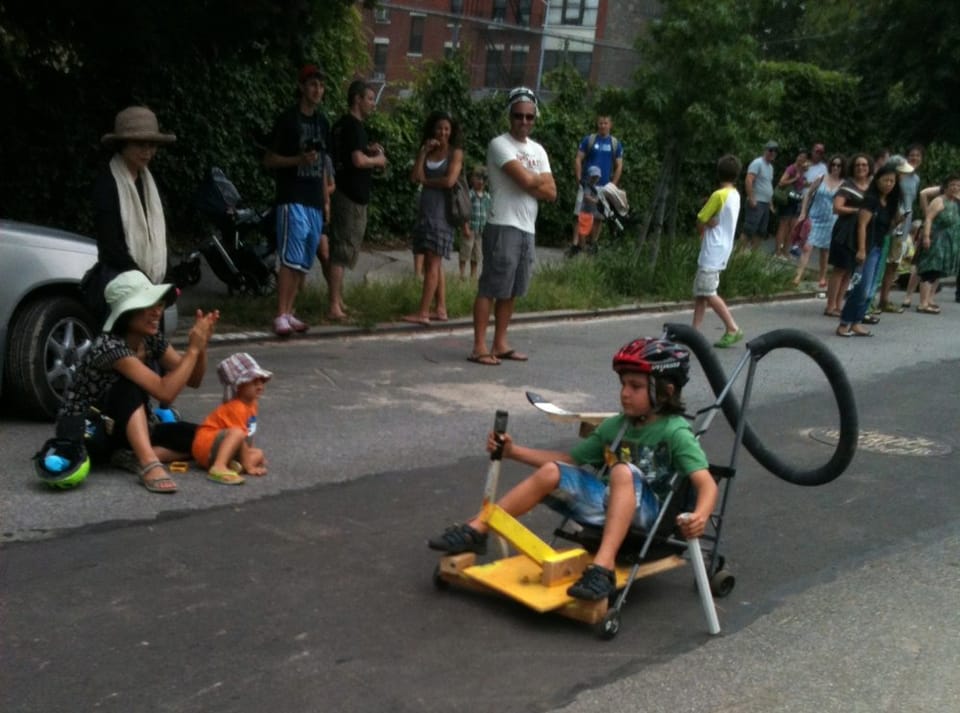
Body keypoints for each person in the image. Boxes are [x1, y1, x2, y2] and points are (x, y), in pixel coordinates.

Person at [428, 337, 718, 602]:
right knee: (553, 471)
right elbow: (569, 459)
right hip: (610, 505)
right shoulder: (617, 426)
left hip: (653, 517)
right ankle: (478, 529)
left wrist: (700, 515)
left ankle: (602, 567)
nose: (625, 393)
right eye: (623, 384)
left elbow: (706, 484)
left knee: (620, 471)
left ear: (666, 391)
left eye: (636, 386)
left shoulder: (676, 432)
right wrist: (512, 452)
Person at [57, 271, 219, 493]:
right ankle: (148, 463)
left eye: (158, 304)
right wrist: (192, 349)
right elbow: (165, 392)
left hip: (128, 428)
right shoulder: (109, 346)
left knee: (205, 437)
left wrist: (201, 347)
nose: (157, 312)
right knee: (127, 386)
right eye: (147, 306)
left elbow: (193, 379)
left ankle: (129, 456)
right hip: (90, 428)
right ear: (126, 312)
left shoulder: (150, 339)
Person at [468, 86, 556, 366]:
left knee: (514, 288)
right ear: (510, 116)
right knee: (492, 286)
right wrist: (534, 181)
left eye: (529, 117)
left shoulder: (538, 149)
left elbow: (552, 192)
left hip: (527, 227)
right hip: (502, 224)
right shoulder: (499, 144)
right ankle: (479, 346)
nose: (524, 122)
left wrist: (533, 181)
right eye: (519, 116)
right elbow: (528, 182)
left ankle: (500, 342)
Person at [89, 105, 177, 327]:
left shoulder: (150, 184)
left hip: (151, 290)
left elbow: (158, 238)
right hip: (122, 288)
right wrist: (143, 284)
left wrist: (165, 282)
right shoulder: (107, 184)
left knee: (153, 354)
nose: (147, 152)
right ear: (123, 145)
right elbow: (111, 246)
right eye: (140, 144)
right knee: (126, 355)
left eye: (152, 145)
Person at [263, 64, 331, 337]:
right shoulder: (288, 120)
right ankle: (280, 313)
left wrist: (326, 198)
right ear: (302, 87)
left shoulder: (322, 122)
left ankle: (290, 312)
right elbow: (269, 159)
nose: (317, 90)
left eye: (321, 85)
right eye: (312, 84)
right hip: (292, 195)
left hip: (314, 196)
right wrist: (297, 160)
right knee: (290, 258)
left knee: (304, 259)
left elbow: (325, 162)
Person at [327, 80, 388, 322]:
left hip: (345, 193)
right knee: (342, 251)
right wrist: (378, 160)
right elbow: (357, 161)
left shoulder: (342, 126)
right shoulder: (353, 126)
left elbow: (353, 154)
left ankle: (338, 301)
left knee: (342, 249)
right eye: (370, 98)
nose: (373, 104)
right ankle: (334, 306)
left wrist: (367, 150)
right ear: (357, 100)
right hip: (350, 196)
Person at [402, 111, 464, 325]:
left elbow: (449, 181)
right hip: (425, 211)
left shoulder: (455, 153)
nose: (443, 132)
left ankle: (423, 312)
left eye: (447, 128)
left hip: (442, 214)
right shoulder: (428, 152)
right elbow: (414, 177)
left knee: (432, 262)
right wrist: (423, 152)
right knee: (434, 263)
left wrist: (427, 182)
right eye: (439, 128)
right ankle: (441, 309)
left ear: (452, 131)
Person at [836, 160, 902, 337]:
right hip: (868, 247)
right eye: (885, 180)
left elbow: (887, 227)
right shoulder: (871, 200)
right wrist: (862, 250)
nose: (888, 184)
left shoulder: (890, 202)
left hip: (881, 246)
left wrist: (899, 220)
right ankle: (844, 323)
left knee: (871, 289)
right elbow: (862, 226)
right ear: (878, 180)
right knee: (861, 287)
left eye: (892, 181)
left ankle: (857, 322)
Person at [191, 353, 271, 485]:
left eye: (262, 381)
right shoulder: (236, 407)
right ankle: (219, 466)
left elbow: (248, 435)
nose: (260, 386)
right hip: (206, 445)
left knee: (259, 453)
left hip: (221, 447)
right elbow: (239, 435)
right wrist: (249, 466)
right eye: (254, 382)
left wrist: (251, 455)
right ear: (238, 386)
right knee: (238, 432)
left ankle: (232, 465)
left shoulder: (252, 404)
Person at [692, 155, 743, 348]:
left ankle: (732, 327)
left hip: (712, 249)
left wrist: (702, 232)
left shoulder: (718, 195)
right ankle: (694, 332)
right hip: (723, 247)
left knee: (708, 291)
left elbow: (701, 218)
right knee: (701, 292)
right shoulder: (735, 194)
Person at [825, 153, 873, 317]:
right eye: (858, 165)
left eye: (864, 165)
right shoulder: (847, 185)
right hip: (844, 231)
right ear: (853, 167)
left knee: (849, 270)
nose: (861, 168)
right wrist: (856, 210)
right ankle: (830, 306)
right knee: (839, 269)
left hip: (860, 233)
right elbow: (836, 208)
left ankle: (839, 305)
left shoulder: (871, 187)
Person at [567, 115, 623, 255]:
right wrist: (579, 179)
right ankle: (576, 245)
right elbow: (578, 159)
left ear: (610, 124)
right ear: (597, 124)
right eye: (600, 123)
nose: (603, 125)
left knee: (599, 217)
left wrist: (613, 185)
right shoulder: (589, 140)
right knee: (580, 214)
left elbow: (619, 165)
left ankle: (593, 245)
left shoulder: (615, 144)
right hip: (587, 184)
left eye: (605, 123)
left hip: (603, 186)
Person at [794, 153, 845, 288]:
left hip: (831, 219)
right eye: (833, 164)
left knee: (825, 250)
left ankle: (822, 276)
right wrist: (804, 212)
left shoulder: (844, 184)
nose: (836, 167)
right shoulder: (821, 178)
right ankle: (798, 275)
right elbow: (808, 194)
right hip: (815, 217)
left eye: (839, 165)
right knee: (807, 246)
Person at [914, 174, 960, 314]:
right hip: (936, 239)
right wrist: (926, 237)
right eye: (952, 185)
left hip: (948, 242)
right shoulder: (939, 201)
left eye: (958, 185)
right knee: (929, 270)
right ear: (945, 187)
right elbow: (928, 218)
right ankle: (923, 303)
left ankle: (930, 299)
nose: (955, 187)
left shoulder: (955, 201)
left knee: (938, 271)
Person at [740, 141, 778, 251]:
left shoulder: (770, 167)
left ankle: (752, 257)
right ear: (765, 150)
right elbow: (749, 180)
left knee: (761, 231)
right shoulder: (757, 163)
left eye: (775, 151)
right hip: (757, 201)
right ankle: (738, 255)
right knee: (749, 230)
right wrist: (752, 198)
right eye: (770, 150)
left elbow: (767, 184)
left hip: (765, 203)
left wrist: (770, 203)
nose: (772, 153)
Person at [773, 149, 809, 258]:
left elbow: (801, 185)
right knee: (783, 225)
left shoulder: (803, 170)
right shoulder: (792, 168)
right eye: (800, 156)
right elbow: (781, 182)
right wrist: (794, 178)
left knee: (793, 227)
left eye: (804, 157)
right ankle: (778, 251)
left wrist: (809, 183)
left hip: (796, 201)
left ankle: (785, 251)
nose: (801, 159)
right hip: (787, 200)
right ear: (797, 157)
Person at [460, 167, 490, 280]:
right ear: (472, 179)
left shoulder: (487, 197)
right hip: (470, 228)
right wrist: (465, 227)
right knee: (465, 251)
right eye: (478, 178)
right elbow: (464, 212)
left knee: (476, 254)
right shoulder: (470, 194)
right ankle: (462, 274)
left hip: (480, 230)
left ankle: (473, 275)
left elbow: (487, 213)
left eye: (483, 179)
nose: (481, 182)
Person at [570, 165, 602, 256]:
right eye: (594, 177)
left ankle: (584, 247)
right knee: (583, 231)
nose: (595, 179)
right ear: (590, 176)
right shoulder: (587, 186)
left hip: (589, 213)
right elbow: (586, 196)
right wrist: (595, 201)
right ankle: (582, 247)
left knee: (586, 230)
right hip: (584, 212)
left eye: (597, 177)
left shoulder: (595, 187)